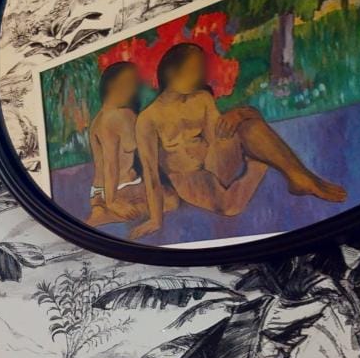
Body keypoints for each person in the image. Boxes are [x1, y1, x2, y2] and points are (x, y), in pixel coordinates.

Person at [131, 42, 347, 240]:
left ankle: (300, 177)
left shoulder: (201, 99)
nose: (199, 77)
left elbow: (220, 137)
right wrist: (156, 219)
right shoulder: (148, 119)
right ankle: (258, 163)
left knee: (246, 124)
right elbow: (150, 173)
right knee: (230, 207)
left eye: (200, 70)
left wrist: (239, 115)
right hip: (188, 179)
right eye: (193, 70)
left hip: (214, 163)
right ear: (171, 73)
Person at [84, 62, 174, 227]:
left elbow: (104, 165)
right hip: (122, 189)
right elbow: (111, 165)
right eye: (133, 84)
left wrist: (101, 200)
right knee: (171, 201)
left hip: (98, 191)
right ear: (115, 86)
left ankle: (99, 210)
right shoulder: (122, 116)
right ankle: (104, 214)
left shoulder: (98, 120)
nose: (136, 89)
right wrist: (112, 202)